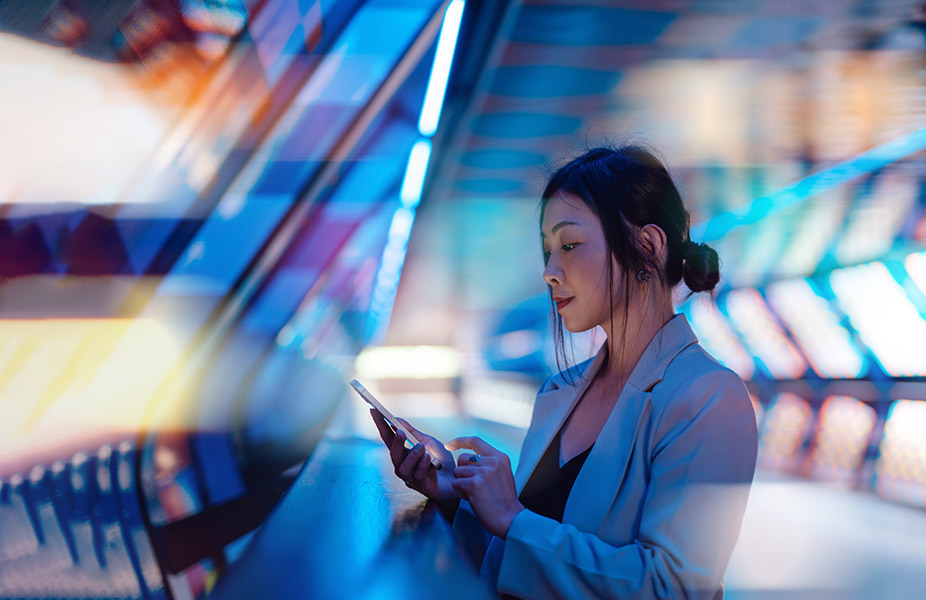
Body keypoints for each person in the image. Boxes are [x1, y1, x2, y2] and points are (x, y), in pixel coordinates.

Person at [370, 145, 758, 599]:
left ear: (648, 246)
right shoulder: (562, 389)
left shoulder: (708, 398)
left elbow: (671, 587)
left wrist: (512, 517)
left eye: (569, 245)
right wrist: (459, 498)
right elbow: (527, 549)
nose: (551, 272)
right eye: (547, 251)